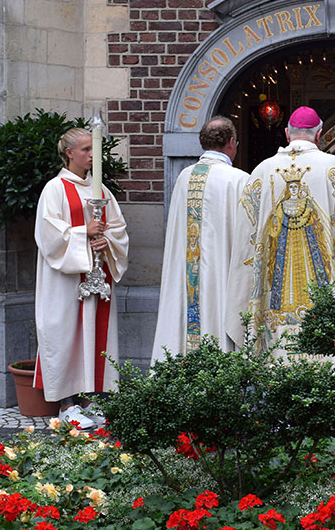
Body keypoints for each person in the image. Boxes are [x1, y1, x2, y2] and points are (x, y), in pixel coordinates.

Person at [225, 106, 335, 425]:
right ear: (320, 135)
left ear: (286, 134)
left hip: (303, 256)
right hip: (297, 261)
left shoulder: (262, 171)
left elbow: (247, 230)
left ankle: (273, 415)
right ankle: (334, 416)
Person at [34, 127, 129, 430]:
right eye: (86, 149)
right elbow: (48, 236)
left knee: (92, 338)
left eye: (94, 149)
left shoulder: (101, 190)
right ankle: (66, 405)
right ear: (68, 154)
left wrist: (107, 243)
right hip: (64, 281)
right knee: (64, 336)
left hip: (97, 278)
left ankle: (87, 402)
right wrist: (82, 234)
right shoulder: (55, 188)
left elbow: (118, 230)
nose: (92, 155)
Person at [152, 116, 248, 360]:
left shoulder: (184, 177)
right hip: (221, 277)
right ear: (231, 143)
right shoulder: (238, 179)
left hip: (186, 279)